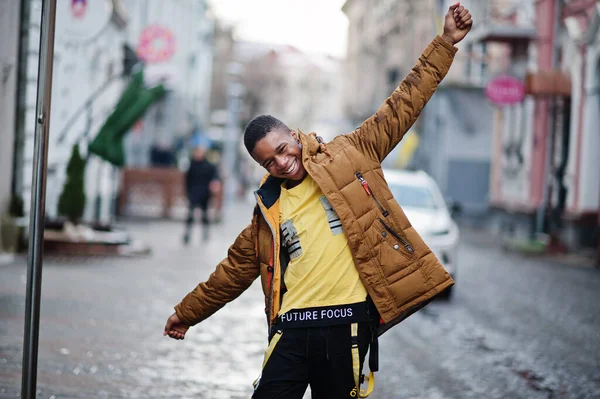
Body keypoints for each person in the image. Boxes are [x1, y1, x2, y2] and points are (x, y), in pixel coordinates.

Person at [164, 3, 472, 397]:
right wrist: (186, 314)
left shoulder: (353, 153)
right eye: (268, 160)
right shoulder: (268, 212)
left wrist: (445, 42)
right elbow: (230, 273)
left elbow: (403, 104)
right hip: (291, 327)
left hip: (347, 325)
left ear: (293, 134)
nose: (281, 161)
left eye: (282, 148)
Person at [183, 136, 219, 243]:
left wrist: (214, 185)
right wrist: (187, 192)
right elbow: (187, 179)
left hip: (204, 193)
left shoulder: (209, 165)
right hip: (193, 193)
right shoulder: (192, 164)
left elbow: (214, 177)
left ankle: (205, 234)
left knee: (204, 215)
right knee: (190, 215)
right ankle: (187, 234)